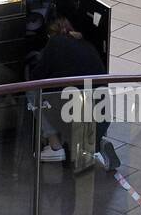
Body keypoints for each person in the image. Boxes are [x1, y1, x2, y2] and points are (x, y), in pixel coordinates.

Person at [26, 15, 115, 170]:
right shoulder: (88, 45)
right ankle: (98, 144)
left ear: (49, 35)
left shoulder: (54, 42)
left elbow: (36, 78)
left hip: (71, 114)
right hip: (102, 115)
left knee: (30, 90)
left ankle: (55, 147)